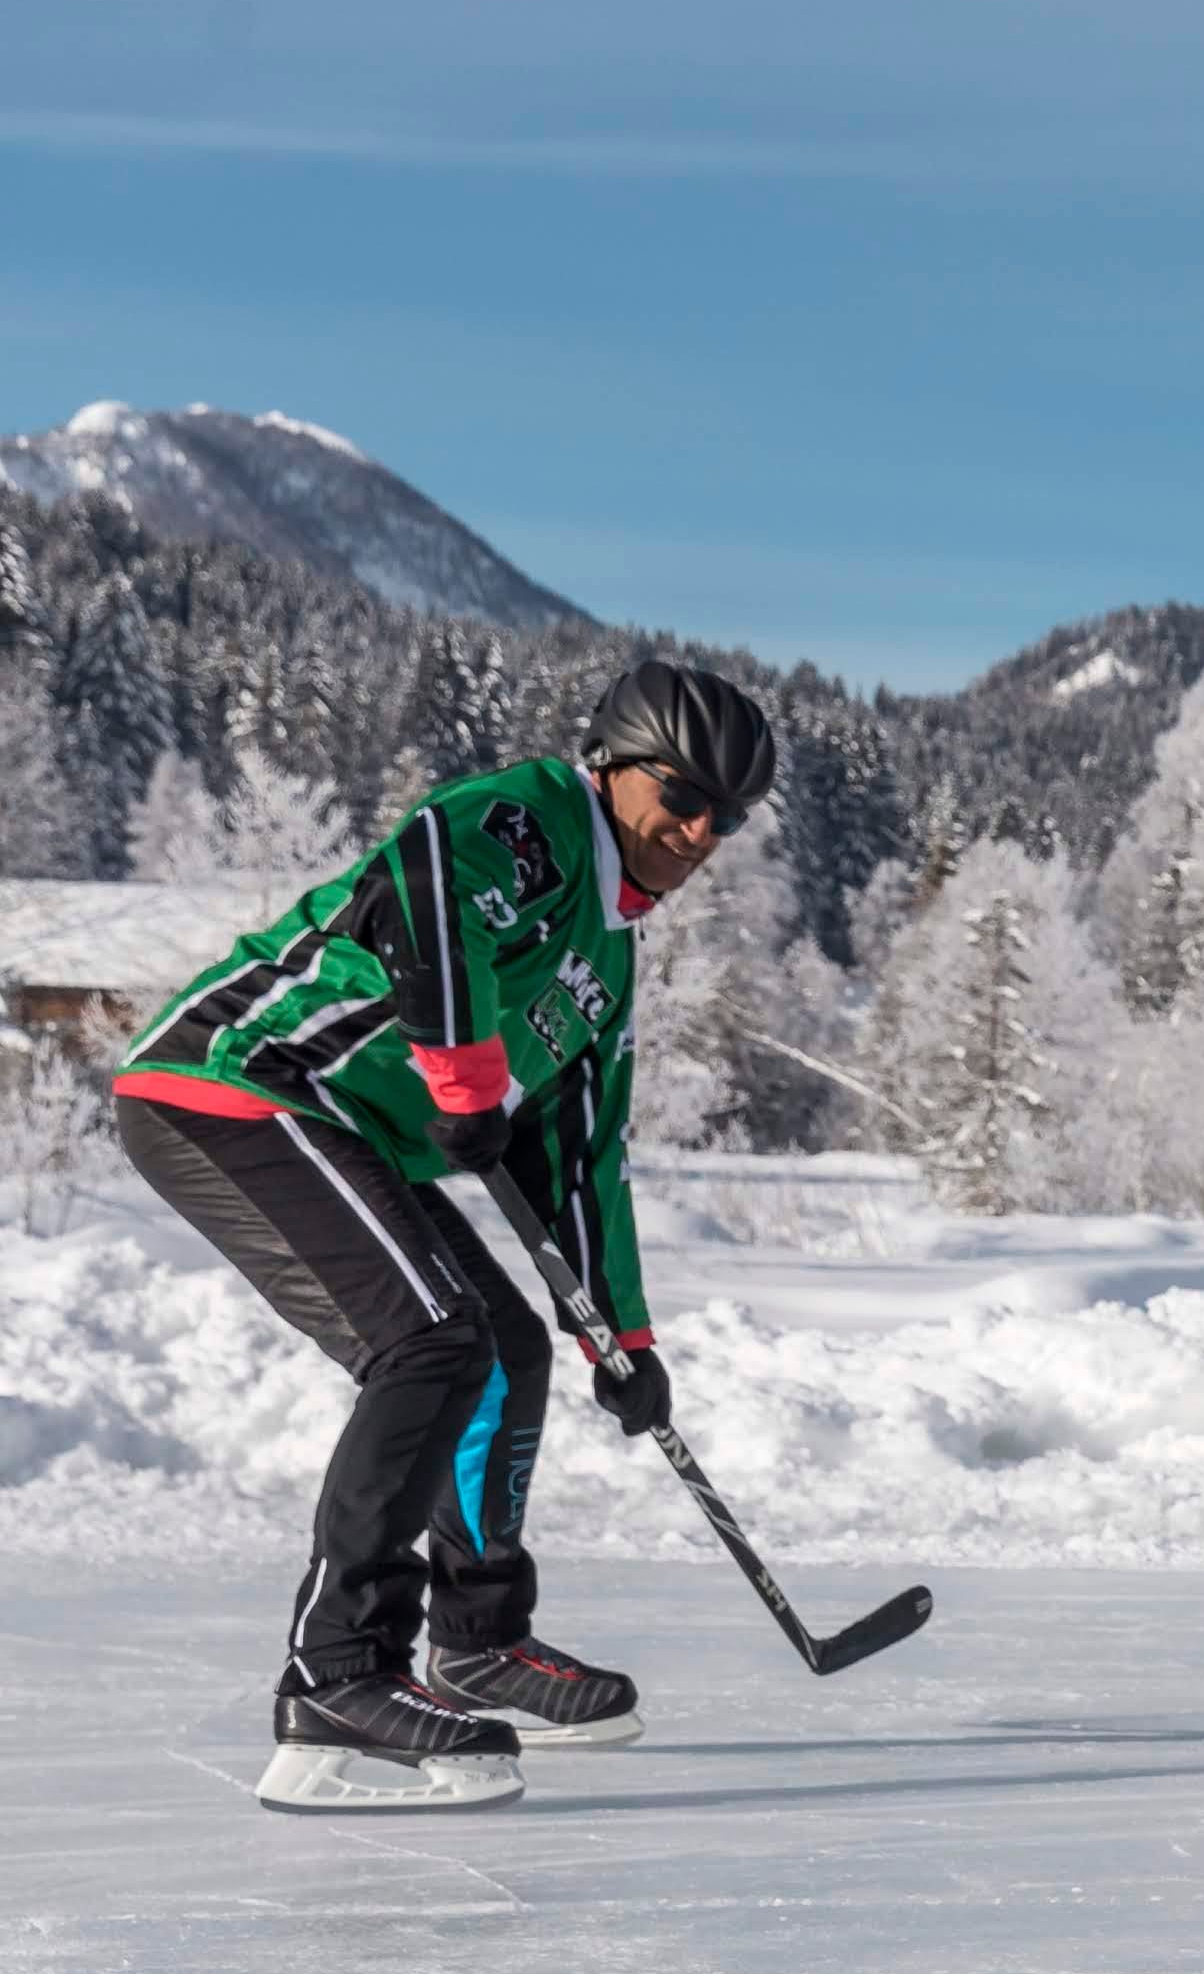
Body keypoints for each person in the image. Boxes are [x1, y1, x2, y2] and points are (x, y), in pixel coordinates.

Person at [113, 660, 772, 1812]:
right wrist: (465, 1074)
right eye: (681, 794)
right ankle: (338, 1674)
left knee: (504, 1349)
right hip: (235, 1082)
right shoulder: (535, 818)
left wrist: (618, 1335)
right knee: (428, 1341)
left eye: (730, 814)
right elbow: (420, 878)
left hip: (343, 1126)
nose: (701, 831)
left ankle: (477, 1642)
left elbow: (577, 1150)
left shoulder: (607, 960)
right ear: (614, 767)